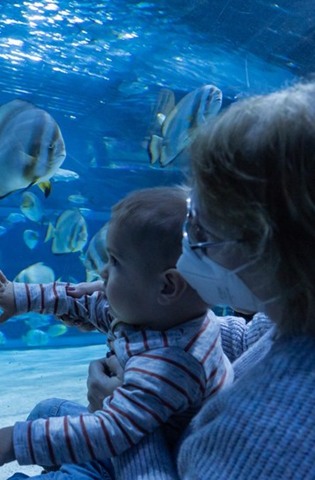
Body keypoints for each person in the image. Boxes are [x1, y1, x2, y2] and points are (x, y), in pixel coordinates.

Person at [97, 81, 315, 479]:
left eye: (200, 227)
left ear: (265, 243)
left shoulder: (266, 438)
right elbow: (256, 341)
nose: (189, 240)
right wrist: (161, 322)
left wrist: (125, 425)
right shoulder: (299, 309)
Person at [0, 186, 233, 480]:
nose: (104, 272)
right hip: (120, 431)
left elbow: (111, 432)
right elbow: (86, 301)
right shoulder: (157, 313)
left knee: (48, 444)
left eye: (116, 262)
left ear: (168, 286)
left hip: (134, 457)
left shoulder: (171, 362)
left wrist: (19, 442)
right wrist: (20, 296)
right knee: (48, 410)